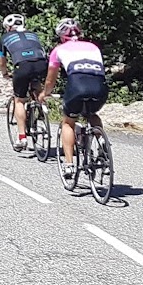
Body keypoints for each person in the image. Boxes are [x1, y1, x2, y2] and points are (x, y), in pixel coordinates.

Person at [38, 18, 109, 178]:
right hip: (99, 87)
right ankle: (102, 143)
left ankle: (69, 165)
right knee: (92, 114)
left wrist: (45, 93)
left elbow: (50, 80)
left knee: (68, 123)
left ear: (62, 36)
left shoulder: (58, 50)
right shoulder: (93, 47)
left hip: (77, 86)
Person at [0, 13, 49, 152]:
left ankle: (22, 137)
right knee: (35, 83)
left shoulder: (4, 38)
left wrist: (5, 73)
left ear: (8, 27)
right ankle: (42, 106)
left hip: (22, 66)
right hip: (42, 64)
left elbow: (2, 61)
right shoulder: (33, 34)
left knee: (19, 100)